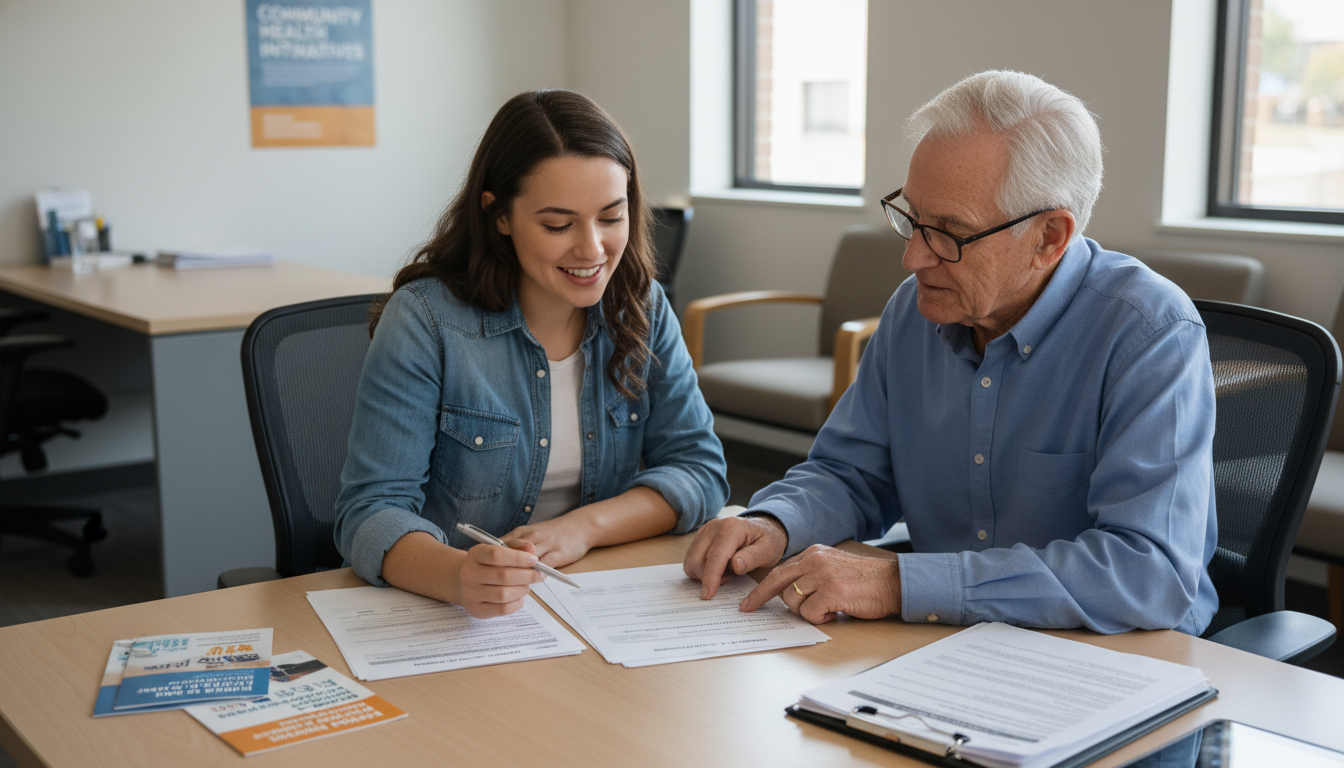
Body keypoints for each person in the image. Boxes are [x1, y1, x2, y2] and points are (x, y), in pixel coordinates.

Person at [684, 70, 1218, 636]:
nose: (913, 258)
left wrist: (900, 583)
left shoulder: (1150, 333)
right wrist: (774, 521)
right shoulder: (914, 311)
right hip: (946, 641)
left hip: (1113, 654)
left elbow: (1149, 573)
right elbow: (852, 472)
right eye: (911, 218)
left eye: (949, 233)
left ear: (1049, 238)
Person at [336, 89, 728, 619]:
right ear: (499, 216)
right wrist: (457, 575)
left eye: (611, 217)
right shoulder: (427, 321)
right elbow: (370, 512)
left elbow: (699, 470)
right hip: (450, 614)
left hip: (588, 601)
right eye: (558, 225)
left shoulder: (641, 306)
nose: (591, 249)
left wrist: (582, 528)